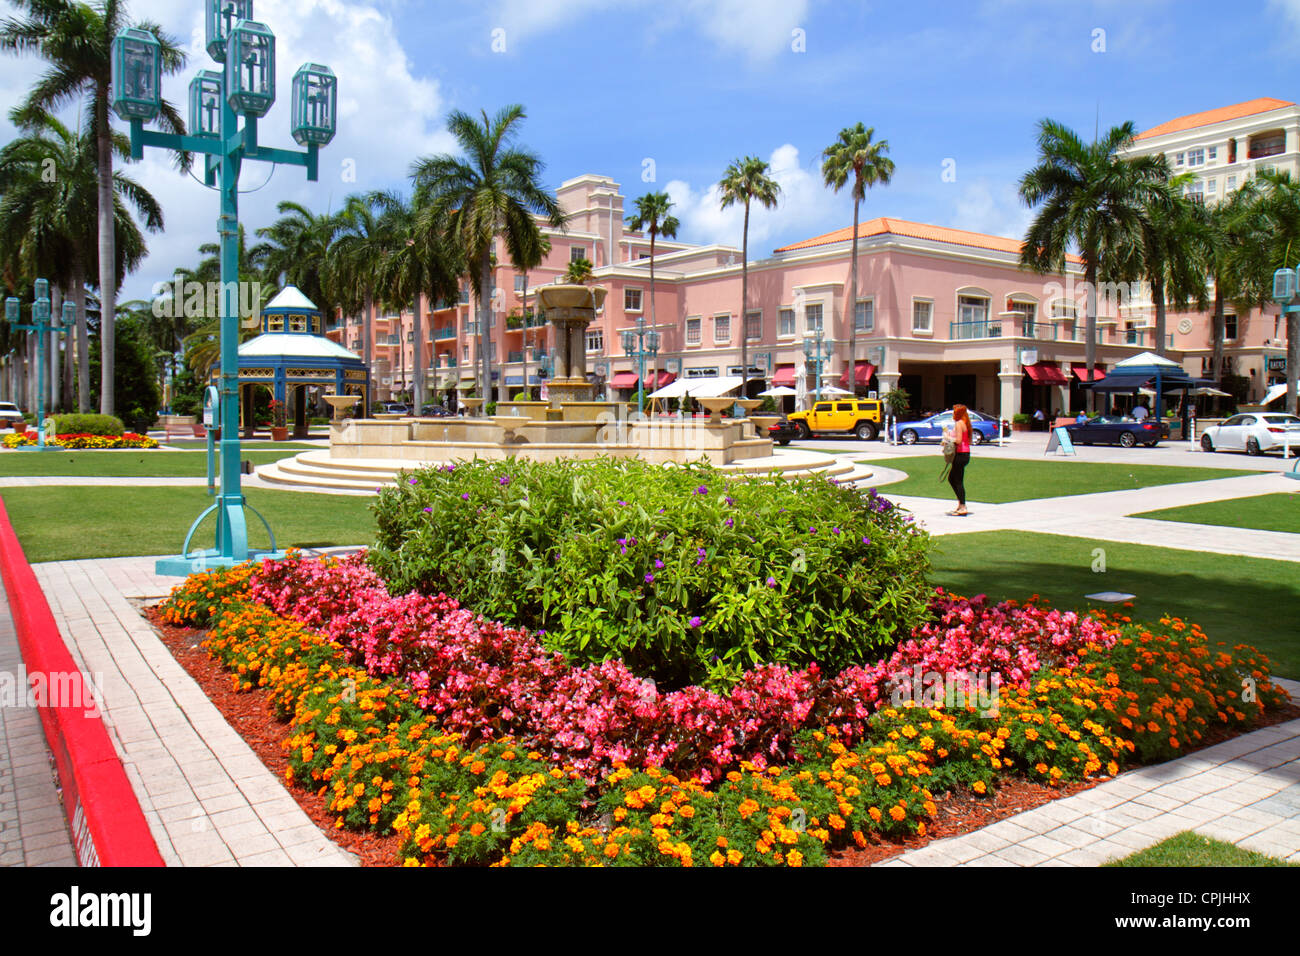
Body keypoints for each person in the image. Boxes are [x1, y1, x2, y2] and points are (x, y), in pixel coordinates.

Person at [943, 404, 972, 516]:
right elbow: (966, 440)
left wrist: (948, 438)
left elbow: (959, 440)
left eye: (954, 412)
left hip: (960, 454)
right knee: (953, 479)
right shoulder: (966, 424)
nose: (953, 414)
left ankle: (963, 505)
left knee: (957, 480)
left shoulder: (959, 423)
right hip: (965, 453)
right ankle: (960, 504)